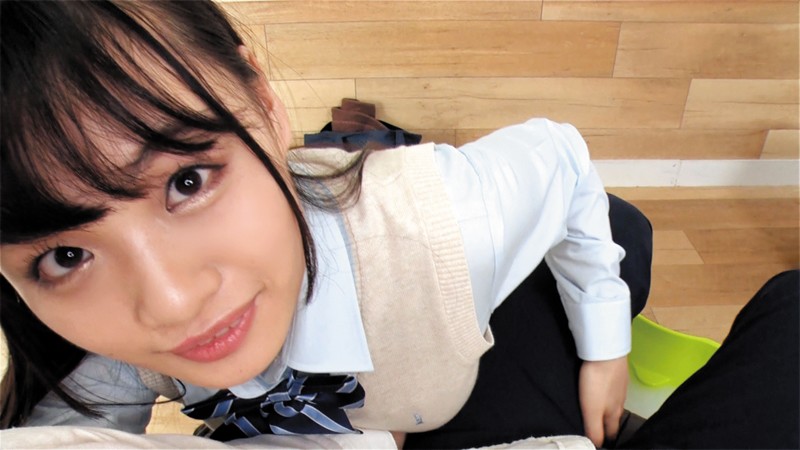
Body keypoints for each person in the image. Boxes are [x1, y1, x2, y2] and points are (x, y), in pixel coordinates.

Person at [0, 2, 796, 449]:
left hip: (439, 245)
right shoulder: (86, 345)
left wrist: (607, 349)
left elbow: (560, 156)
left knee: (627, 234)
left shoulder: (447, 217)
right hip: (403, 376)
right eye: (65, 253)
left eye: (187, 180)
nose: (170, 302)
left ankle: (365, 143)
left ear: (262, 98)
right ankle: (354, 140)